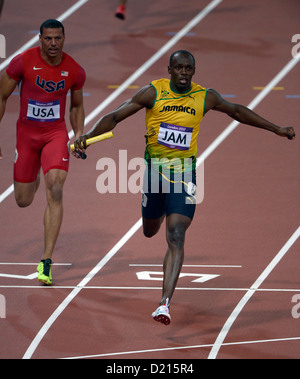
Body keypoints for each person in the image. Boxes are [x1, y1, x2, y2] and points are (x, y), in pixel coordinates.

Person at [73, 50, 295, 325]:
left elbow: (237, 111)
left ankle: (164, 303)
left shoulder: (205, 96)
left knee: (176, 235)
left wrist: (276, 129)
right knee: (149, 230)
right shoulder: (153, 93)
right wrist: (89, 137)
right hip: (155, 174)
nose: (183, 72)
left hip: (184, 174)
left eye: (188, 68)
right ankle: (164, 209)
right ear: (169, 69)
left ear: (194, 71)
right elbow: (116, 116)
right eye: (178, 67)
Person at [0, 19, 86, 285]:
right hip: (27, 135)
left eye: (57, 38)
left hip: (55, 134)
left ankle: (46, 261)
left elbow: (76, 106)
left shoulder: (74, 70)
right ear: (40, 38)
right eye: (47, 39)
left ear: (64, 38)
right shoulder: (22, 62)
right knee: (23, 200)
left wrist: (79, 133)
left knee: (56, 187)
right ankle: (35, 174)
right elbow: (0, 96)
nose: (52, 44)